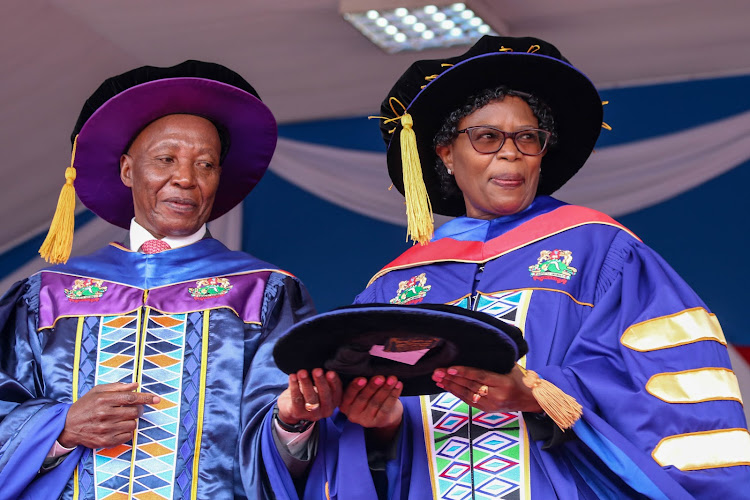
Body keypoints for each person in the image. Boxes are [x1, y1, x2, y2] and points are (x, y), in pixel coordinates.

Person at [345, 35, 750, 498]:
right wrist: (381, 425)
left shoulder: (600, 249)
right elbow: (362, 444)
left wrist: (538, 393)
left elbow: (667, 386)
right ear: (445, 155)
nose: (511, 152)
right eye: (487, 137)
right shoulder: (394, 285)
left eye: (528, 137)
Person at [0, 61, 318, 499]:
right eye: (166, 159)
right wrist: (61, 428)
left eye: (205, 164)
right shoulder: (50, 294)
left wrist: (292, 422)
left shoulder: (262, 292)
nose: (186, 179)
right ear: (129, 170)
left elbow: (278, 441)